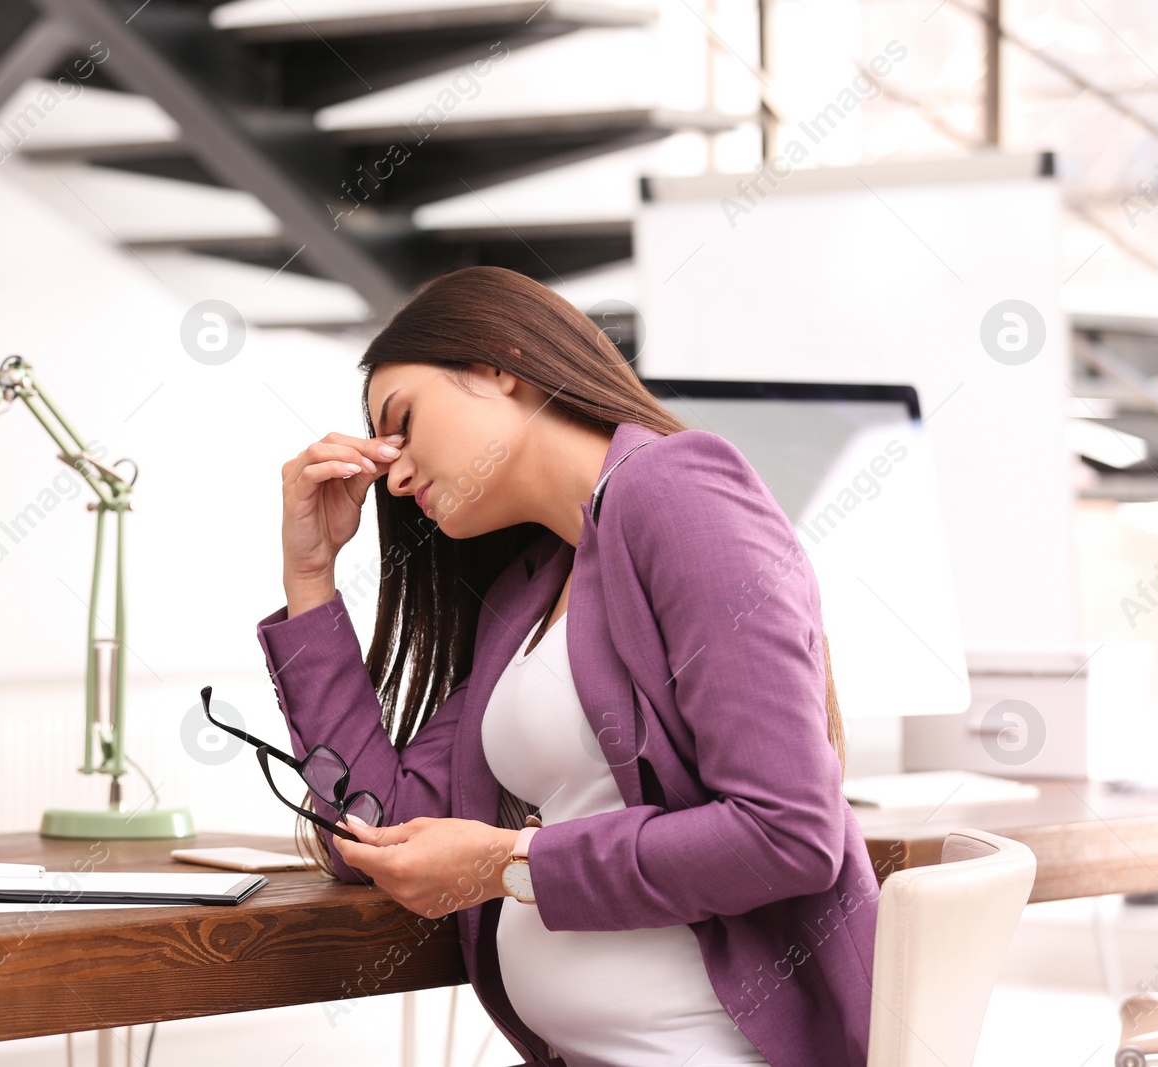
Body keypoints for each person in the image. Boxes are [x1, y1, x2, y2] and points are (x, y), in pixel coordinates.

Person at [254, 266, 879, 1067]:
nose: (398, 476)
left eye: (404, 423)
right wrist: (308, 581)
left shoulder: (677, 488)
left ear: (498, 364)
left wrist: (504, 863)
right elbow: (374, 826)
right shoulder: (528, 593)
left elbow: (788, 832)